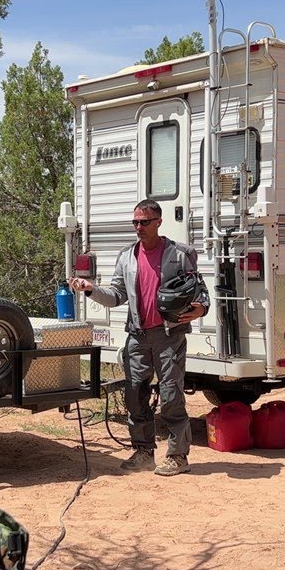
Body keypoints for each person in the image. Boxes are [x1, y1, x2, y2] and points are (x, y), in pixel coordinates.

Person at [69, 199, 207, 477]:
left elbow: (198, 290)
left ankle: (178, 456)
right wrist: (91, 289)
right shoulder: (127, 257)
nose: (139, 227)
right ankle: (144, 452)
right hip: (138, 335)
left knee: (171, 395)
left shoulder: (179, 254)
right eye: (135, 222)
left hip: (169, 335)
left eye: (144, 222)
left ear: (158, 222)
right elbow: (117, 295)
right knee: (135, 395)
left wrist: (201, 309)